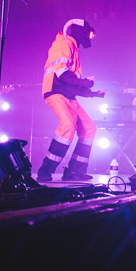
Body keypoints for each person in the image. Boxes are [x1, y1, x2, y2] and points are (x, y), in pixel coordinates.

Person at [36, 19, 105, 182]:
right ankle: (45, 170)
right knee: (67, 124)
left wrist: (92, 93)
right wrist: (83, 82)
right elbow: (62, 74)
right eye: (88, 33)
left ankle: (75, 171)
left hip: (67, 95)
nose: (89, 37)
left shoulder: (72, 47)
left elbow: (71, 82)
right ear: (79, 31)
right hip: (55, 92)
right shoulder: (63, 44)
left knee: (89, 128)